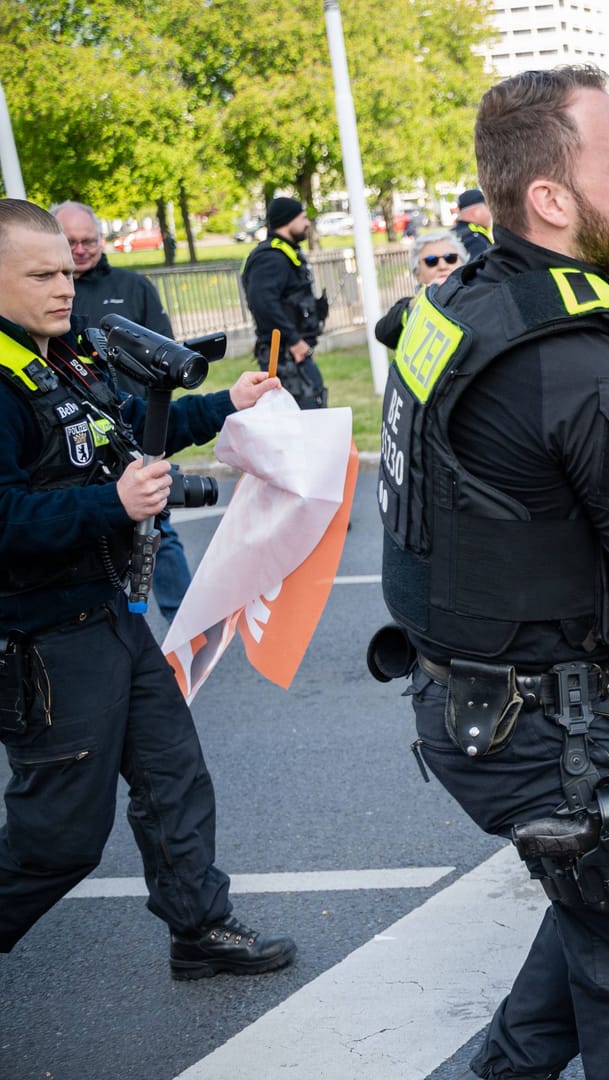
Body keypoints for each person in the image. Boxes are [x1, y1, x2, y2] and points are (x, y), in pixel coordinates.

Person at [375, 67, 609, 1079]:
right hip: (557, 735)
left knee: (603, 922)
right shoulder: (588, 364)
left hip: (466, 704)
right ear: (550, 200)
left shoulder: (465, 300)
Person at [0, 197, 294, 976]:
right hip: (46, 640)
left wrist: (225, 403)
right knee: (58, 838)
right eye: (42, 274)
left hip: (115, 618)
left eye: (67, 269)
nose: (66, 287)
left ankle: (199, 929)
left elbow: (129, 425)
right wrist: (113, 502)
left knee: (174, 780)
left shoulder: (61, 355)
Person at [52, 200, 194, 622]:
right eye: (70, 243)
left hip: (133, 430)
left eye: (88, 241)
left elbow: (168, 352)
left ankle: (185, 621)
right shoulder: (41, 308)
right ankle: (116, 623)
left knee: (158, 530)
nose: (80, 251)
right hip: (72, 444)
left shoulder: (133, 287)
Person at [239, 197, 327, 409]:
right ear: (288, 220)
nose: (307, 223)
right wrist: (295, 341)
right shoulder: (270, 258)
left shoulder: (285, 252)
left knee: (314, 404)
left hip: (292, 353)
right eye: (303, 217)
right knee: (301, 416)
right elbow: (263, 304)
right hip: (283, 356)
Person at [371, 231, 463, 349]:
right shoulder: (411, 305)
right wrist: (417, 304)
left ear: (463, 262)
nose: (442, 266)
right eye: (431, 260)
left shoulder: (479, 296)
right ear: (417, 273)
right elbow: (383, 333)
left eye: (450, 258)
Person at [451, 187, 494, 260]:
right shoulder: (474, 239)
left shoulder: (452, 234)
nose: (491, 212)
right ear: (476, 211)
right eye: (488, 207)